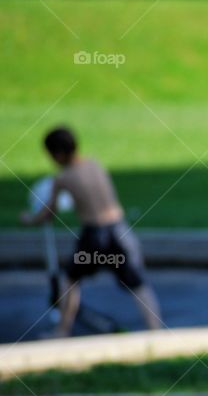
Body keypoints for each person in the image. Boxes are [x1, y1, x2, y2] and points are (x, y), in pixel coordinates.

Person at [19, 125, 162, 336]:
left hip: (95, 235)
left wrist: (30, 220)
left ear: (57, 154)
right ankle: (157, 331)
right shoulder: (94, 164)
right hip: (121, 230)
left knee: (70, 279)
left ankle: (62, 331)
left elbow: (49, 212)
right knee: (138, 283)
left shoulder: (63, 178)